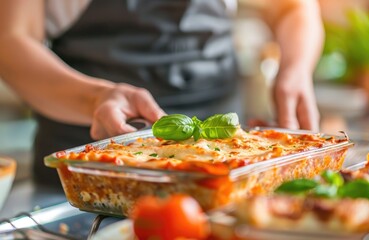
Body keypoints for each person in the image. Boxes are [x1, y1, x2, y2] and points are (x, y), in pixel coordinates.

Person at [0, 0, 324, 186]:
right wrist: (96, 98)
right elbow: (11, 40)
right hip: (94, 162)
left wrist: (295, 70)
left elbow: (295, 9)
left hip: (231, 157)